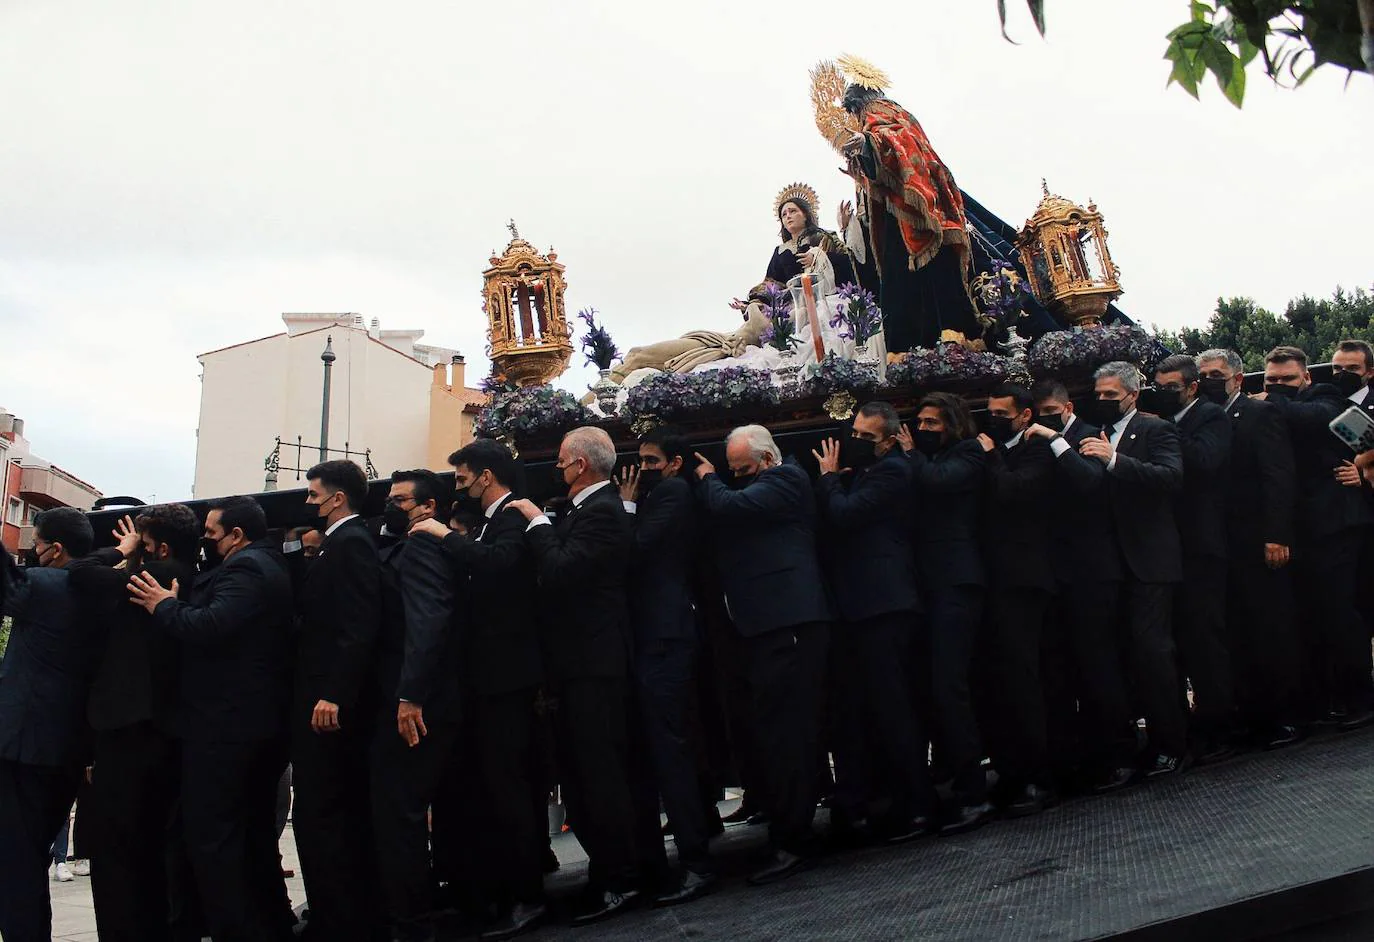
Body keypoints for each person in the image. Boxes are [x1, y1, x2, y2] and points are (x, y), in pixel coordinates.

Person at [127, 496, 294, 942]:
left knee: (212, 838)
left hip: (226, 727)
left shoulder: (249, 569)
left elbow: (211, 627)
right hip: (245, 724)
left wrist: (163, 605)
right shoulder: (264, 566)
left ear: (237, 536)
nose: (206, 542)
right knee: (250, 836)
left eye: (212, 534)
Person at [412, 440, 547, 940]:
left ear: (486, 476)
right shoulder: (492, 520)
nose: (458, 488)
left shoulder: (509, 516)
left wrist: (442, 534)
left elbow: (499, 566)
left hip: (506, 677)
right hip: (489, 676)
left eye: (463, 479)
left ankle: (528, 895)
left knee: (510, 785)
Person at [506, 427, 641, 926]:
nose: (558, 472)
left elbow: (563, 570)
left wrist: (538, 522)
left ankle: (620, 878)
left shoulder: (602, 512)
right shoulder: (591, 510)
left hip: (595, 665)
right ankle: (609, 873)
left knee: (599, 774)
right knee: (585, 775)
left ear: (581, 464)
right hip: (579, 664)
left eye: (562, 464)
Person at [693, 425, 832, 885]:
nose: (736, 478)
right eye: (732, 471)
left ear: (766, 460)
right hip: (768, 627)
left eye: (742, 470)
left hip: (787, 625)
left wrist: (708, 477)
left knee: (788, 736)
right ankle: (788, 829)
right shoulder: (768, 480)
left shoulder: (787, 479)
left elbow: (730, 504)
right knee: (776, 733)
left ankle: (794, 839)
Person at [1046, 362, 1189, 777]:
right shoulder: (1091, 432)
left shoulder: (1154, 429)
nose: (1103, 400)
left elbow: (1170, 477)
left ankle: (1172, 744)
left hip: (1150, 561)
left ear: (1133, 394)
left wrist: (1114, 461)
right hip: (1108, 567)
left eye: (1112, 394)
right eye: (1099, 394)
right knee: (1122, 655)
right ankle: (1133, 744)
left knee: (1154, 653)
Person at [69, 505, 200, 942]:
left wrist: (117, 550)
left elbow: (82, 573)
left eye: (142, 544)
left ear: (159, 546)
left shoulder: (156, 575)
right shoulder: (195, 574)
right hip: (169, 727)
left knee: (118, 848)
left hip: (130, 728)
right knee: (155, 845)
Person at [813, 402, 935, 844]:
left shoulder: (893, 471)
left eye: (867, 438)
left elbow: (847, 514)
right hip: (867, 606)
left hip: (885, 605)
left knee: (894, 708)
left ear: (889, 439)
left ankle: (917, 806)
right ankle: (892, 798)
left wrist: (828, 478)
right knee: (876, 708)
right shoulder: (870, 471)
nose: (856, 442)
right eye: (855, 434)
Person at [610, 183, 863, 382]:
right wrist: (751, 303)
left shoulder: (823, 238)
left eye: (793, 211)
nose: (788, 216)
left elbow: (850, 267)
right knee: (744, 333)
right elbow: (770, 283)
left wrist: (820, 256)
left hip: (812, 304)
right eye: (783, 213)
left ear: (806, 214)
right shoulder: (780, 250)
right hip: (782, 307)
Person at [615, 427, 719, 905]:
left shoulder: (673, 494)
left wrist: (628, 506)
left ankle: (697, 861)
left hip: (665, 634)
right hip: (660, 634)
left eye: (652, 461)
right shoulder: (671, 491)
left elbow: (635, 550)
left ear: (675, 464)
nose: (643, 470)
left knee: (670, 748)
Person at [285, 459, 383, 942]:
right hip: (322, 699)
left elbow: (357, 626)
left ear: (337, 497)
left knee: (326, 814)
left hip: (331, 706)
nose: (308, 503)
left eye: (313, 495)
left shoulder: (352, 544)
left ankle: (340, 918)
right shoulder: (338, 545)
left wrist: (334, 694)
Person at [1027, 383, 1137, 793]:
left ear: (1068, 407)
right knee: (1066, 668)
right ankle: (1083, 756)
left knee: (1100, 663)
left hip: (1093, 571)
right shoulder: (1032, 439)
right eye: (1039, 412)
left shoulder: (1089, 434)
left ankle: (1120, 753)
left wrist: (1057, 441)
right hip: (1058, 573)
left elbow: (1088, 482)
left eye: (1051, 410)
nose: (1045, 417)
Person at [1256, 346, 1374, 728]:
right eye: (1271, 380)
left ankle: (1362, 698)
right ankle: (1330, 698)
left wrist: (1268, 401)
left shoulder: (1325, 396)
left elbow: (1323, 421)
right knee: (1314, 617)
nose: (1278, 387)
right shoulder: (1268, 408)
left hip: (1337, 523)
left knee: (1341, 613)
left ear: (1306, 377)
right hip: (1301, 528)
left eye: (1287, 380)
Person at [370, 470, 462, 942]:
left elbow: (428, 622)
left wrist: (411, 696)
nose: (392, 505)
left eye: (401, 500)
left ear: (428, 508)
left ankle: (412, 922)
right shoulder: (407, 545)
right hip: (421, 699)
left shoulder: (422, 548)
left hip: (421, 705)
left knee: (401, 812)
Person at [832, 56, 979, 351]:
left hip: (914, 213)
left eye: (851, 112)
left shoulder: (882, 112)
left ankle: (942, 347)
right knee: (904, 288)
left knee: (922, 285)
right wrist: (860, 172)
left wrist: (867, 144)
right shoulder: (875, 120)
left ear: (858, 105)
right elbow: (881, 177)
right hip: (899, 211)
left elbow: (897, 142)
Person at [1195, 349, 1302, 749]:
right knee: (1238, 630)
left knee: (1271, 628)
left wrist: (1277, 534)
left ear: (1238, 379)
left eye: (1216, 374)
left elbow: (1278, 475)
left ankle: (1285, 715)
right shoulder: (1201, 419)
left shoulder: (1259, 415)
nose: (1208, 380)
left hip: (1260, 539)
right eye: (1202, 374)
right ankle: (1251, 714)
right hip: (1221, 544)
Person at [0, 508, 98, 942]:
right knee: (30, 855)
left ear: (55, 549)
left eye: (35, 546)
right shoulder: (102, 588)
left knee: (15, 861)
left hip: (24, 745)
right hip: (68, 747)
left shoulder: (47, 586)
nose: (31, 555)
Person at [897, 393, 993, 832]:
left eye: (931, 422)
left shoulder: (969, 452)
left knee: (950, 686)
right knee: (936, 688)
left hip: (957, 583)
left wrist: (911, 453)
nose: (922, 428)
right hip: (929, 586)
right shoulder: (927, 459)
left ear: (952, 424)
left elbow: (941, 481)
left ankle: (974, 792)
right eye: (918, 421)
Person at [1152, 354, 1238, 761]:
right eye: (1160, 387)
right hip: (1171, 546)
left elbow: (1205, 463)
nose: (1165, 394)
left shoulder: (1209, 417)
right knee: (1185, 639)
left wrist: (1166, 434)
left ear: (1191, 387)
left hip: (1203, 543)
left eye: (1172, 388)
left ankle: (1220, 725)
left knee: (1207, 637)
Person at [976, 383, 1057, 815]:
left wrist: (989, 455)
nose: (993, 418)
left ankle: (1037, 776)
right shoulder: (994, 448)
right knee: (1001, 683)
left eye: (1001, 412)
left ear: (1024, 415)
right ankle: (1011, 771)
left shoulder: (1035, 450)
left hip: (1025, 581)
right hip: (994, 581)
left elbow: (1014, 492)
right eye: (989, 411)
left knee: (1026, 680)